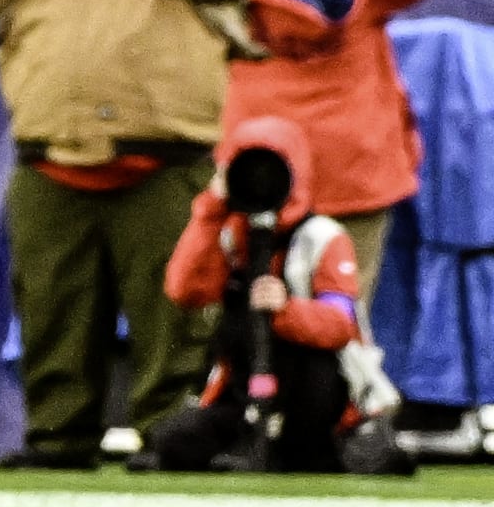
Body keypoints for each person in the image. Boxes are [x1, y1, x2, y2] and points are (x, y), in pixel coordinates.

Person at [0, 0, 254, 470]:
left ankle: (170, 436)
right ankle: (58, 437)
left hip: (164, 152)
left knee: (174, 309)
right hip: (49, 152)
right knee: (52, 306)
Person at [224, 0, 446, 336]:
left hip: (257, 161)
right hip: (355, 166)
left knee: (241, 305)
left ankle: (249, 410)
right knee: (344, 313)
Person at [144, 114, 413, 475]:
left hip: (317, 389)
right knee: (175, 444)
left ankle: (301, 447)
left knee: (318, 445)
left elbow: (339, 325)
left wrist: (286, 311)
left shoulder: (323, 237)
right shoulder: (227, 232)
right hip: (241, 390)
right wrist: (210, 209)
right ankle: (255, 444)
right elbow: (184, 290)